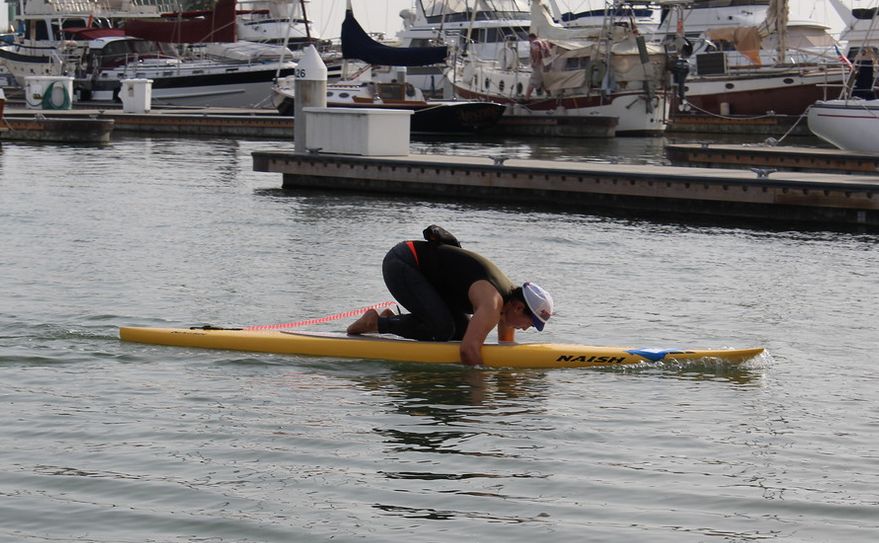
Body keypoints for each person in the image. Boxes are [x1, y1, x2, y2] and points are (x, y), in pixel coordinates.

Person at [346, 226, 554, 366]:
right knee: (443, 329)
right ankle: (376, 322)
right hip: (402, 263)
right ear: (519, 307)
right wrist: (483, 393)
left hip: (424, 275)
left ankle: (393, 319)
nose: (527, 328)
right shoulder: (493, 303)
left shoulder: (509, 303)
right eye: (531, 322)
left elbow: (505, 345)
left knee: (462, 332)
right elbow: (467, 351)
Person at [524, 33, 551, 100]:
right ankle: (549, 94)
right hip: (546, 64)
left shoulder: (535, 42)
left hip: (539, 64)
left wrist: (535, 62)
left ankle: (526, 98)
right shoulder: (544, 42)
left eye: (529, 40)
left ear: (531, 38)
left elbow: (536, 50)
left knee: (532, 81)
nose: (529, 41)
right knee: (541, 81)